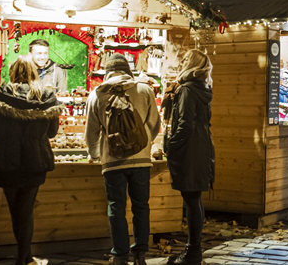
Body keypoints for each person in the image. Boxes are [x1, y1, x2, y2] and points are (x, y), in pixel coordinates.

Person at [0, 56, 64, 265]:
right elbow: (52, 133)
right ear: (34, 72)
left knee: (15, 210)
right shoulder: (47, 98)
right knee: (25, 210)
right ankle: (25, 259)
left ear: (12, 72)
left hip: (6, 158)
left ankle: (24, 259)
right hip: (35, 158)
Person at [86, 54, 161, 265]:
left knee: (116, 208)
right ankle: (140, 253)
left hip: (112, 161)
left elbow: (92, 132)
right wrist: (143, 144)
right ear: (128, 70)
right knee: (141, 206)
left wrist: (96, 155)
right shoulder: (144, 90)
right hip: (141, 160)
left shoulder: (97, 95)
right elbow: (154, 124)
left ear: (107, 72)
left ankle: (119, 254)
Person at [165, 51, 215, 265]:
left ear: (192, 64)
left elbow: (185, 123)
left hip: (190, 148)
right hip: (202, 145)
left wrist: (171, 145)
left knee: (191, 199)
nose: (182, 62)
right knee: (195, 198)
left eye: (185, 59)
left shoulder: (187, 89)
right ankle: (193, 250)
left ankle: (192, 253)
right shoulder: (203, 88)